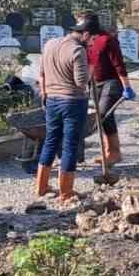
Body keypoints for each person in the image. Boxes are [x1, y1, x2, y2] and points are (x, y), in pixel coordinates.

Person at [36, 17, 95, 201]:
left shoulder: (50, 44)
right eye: (92, 39)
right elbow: (81, 82)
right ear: (85, 34)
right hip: (73, 102)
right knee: (70, 145)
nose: (92, 43)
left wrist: (44, 93)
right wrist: (91, 70)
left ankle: (41, 187)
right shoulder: (77, 50)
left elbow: (42, 73)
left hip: (52, 99)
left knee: (50, 141)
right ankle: (66, 192)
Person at [80, 12, 134, 168]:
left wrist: (127, 87)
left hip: (111, 82)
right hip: (95, 83)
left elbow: (119, 64)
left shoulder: (108, 40)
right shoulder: (86, 40)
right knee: (101, 116)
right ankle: (109, 152)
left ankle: (114, 152)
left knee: (104, 114)